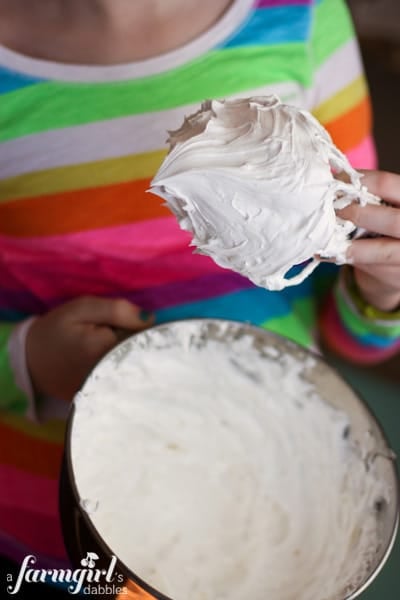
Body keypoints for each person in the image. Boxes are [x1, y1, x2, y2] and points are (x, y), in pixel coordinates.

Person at [0, 0, 399, 592]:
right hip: (48, 534)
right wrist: (25, 360)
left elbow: (354, 337)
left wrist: (380, 295)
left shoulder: (302, 18)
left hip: (273, 487)